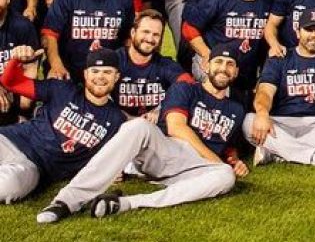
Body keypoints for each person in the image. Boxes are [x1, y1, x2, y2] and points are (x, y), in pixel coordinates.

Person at [36, 45, 247, 223]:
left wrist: (232, 160)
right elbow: (176, 127)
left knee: (225, 177)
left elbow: (225, 144)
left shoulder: (236, 108)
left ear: (236, 72)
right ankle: (66, 201)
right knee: (138, 126)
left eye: (230, 65)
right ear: (206, 65)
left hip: (194, 169)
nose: (223, 68)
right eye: (218, 61)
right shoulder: (187, 89)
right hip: (169, 151)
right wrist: (215, 160)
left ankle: (127, 203)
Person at [0, 45, 125, 205]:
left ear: (116, 76)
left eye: (107, 72)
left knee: (8, 187)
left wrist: (112, 170)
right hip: (11, 140)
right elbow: (10, 82)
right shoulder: (62, 89)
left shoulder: (115, 120)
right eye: (95, 71)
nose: (100, 77)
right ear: (86, 74)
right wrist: (16, 60)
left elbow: (112, 157)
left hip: (34, 167)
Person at [246, 9, 315, 168]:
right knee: (249, 121)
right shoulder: (279, 58)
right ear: (298, 32)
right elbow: (264, 92)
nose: (314, 35)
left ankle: (278, 153)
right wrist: (262, 113)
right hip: (282, 123)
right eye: (308, 29)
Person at [182, 0, 271, 106]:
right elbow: (189, 27)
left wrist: (263, 78)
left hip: (245, 72)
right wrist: (206, 54)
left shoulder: (267, 2)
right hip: (214, 66)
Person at [113, 10, 187, 119]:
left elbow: (188, 85)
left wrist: (162, 110)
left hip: (153, 127)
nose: (150, 39)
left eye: (156, 35)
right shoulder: (115, 59)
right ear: (133, 33)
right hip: (118, 124)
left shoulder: (165, 65)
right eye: (145, 32)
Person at [0, 0, 40, 126]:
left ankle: (21, 122)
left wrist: (26, 57)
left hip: (11, 90)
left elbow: (31, 72)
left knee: (25, 102)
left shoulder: (22, 26)